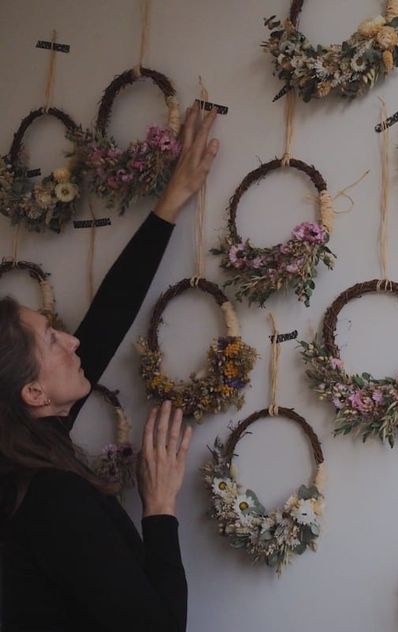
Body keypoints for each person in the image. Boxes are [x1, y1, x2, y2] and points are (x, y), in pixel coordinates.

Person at [0, 102, 219, 632]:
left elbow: (102, 327)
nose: (73, 340)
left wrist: (169, 206)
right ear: (32, 392)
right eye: (52, 340)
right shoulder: (50, 496)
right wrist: (160, 507)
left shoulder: (20, 454)